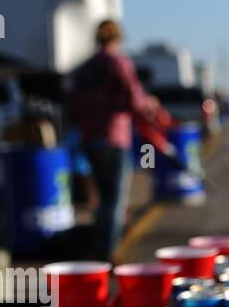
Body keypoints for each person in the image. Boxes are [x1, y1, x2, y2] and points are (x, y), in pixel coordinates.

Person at [67, 20, 169, 261]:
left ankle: (99, 243)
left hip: (90, 137)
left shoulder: (85, 68)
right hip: (113, 137)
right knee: (115, 199)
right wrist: (150, 104)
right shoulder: (118, 63)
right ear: (118, 38)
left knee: (102, 198)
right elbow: (134, 100)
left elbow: (73, 104)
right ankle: (109, 250)